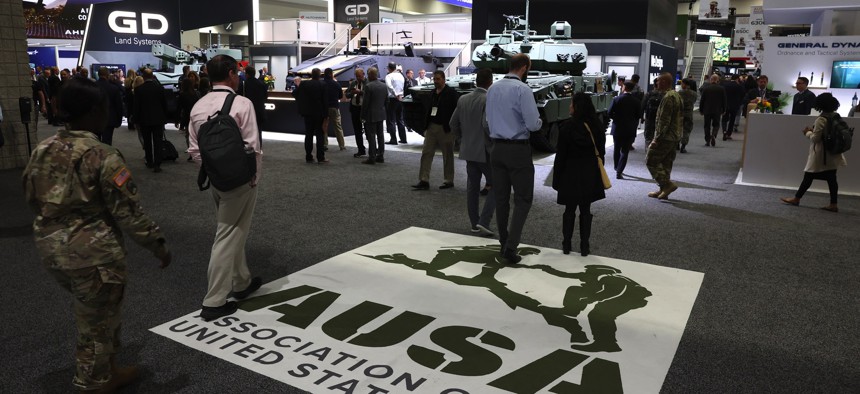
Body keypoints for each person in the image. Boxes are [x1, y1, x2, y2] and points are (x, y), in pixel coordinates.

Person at [22, 76, 172, 393]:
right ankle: (93, 381)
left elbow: (31, 196)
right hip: (93, 254)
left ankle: (109, 367)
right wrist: (157, 245)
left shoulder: (43, 149)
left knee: (96, 310)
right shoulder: (102, 155)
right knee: (97, 319)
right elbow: (128, 211)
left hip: (52, 248)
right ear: (93, 111)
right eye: (105, 105)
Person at [188, 55, 264, 321]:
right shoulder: (242, 103)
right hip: (241, 181)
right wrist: (253, 178)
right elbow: (253, 146)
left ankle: (241, 282)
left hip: (216, 180)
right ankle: (214, 301)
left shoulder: (198, 105)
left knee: (233, 229)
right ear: (232, 74)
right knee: (227, 234)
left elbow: (195, 150)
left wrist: (213, 170)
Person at [486, 53, 542, 264]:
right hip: (518, 150)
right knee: (523, 199)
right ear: (525, 68)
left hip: (496, 149)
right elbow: (532, 124)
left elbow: (487, 120)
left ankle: (503, 242)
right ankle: (510, 247)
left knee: (501, 199)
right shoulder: (522, 89)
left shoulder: (493, 88)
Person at [553, 93, 606, 256]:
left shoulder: (567, 127)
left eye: (571, 104)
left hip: (570, 173)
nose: (569, 107)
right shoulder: (596, 126)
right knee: (585, 209)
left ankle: (566, 244)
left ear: (577, 107)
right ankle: (584, 246)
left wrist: (557, 179)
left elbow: (560, 155)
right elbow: (601, 153)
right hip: (589, 173)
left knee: (569, 210)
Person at [780, 93, 846, 213]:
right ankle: (833, 203)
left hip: (821, 154)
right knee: (831, 179)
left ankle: (796, 198)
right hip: (833, 153)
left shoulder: (821, 119)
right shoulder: (835, 116)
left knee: (808, 176)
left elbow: (816, 139)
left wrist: (807, 132)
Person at [451, 68, 496, 235]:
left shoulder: (463, 99)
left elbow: (453, 123)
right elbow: (487, 125)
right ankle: (484, 220)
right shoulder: (488, 99)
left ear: (476, 81)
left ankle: (474, 223)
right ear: (490, 82)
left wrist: (463, 140)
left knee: (472, 188)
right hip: (485, 151)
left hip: (468, 150)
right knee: (498, 184)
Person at [413, 70, 459, 190]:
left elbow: (456, 111)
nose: (436, 81)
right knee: (426, 153)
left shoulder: (451, 93)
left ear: (443, 79)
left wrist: (452, 128)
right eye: (434, 79)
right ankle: (424, 180)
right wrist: (425, 126)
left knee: (447, 155)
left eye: (438, 79)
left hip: (445, 128)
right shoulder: (432, 93)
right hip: (431, 127)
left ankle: (448, 180)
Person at [645, 72, 683, 200]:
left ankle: (667, 185)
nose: (657, 83)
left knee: (651, 160)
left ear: (666, 82)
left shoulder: (668, 97)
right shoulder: (676, 95)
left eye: (659, 81)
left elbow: (663, 121)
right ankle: (663, 190)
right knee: (666, 163)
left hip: (665, 137)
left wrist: (656, 139)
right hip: (674, 136)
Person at [133, 68, 167, 173]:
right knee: (158, 142)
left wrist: (136, 120)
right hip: (158, 119)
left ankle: (149, 161)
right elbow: (164, 105)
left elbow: (136, 107)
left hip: (144, 119)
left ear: (143, 77)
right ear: (152, 76)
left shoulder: (139, 90)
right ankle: (158, 163)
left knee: (147, 142)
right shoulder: (160, 88)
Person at [293, 68, 329, 163]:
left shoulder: (304, 84)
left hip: (307, 113)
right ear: (319, 75)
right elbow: (325, 101)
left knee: (308, 135)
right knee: (319, 135)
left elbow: (295, 93)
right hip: (319, 113)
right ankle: (320, 157)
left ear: (311, 75)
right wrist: (326, 116)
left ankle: (308, 156)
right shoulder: (323, 85)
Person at [609, 81, 641, 178]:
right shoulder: (636, 101)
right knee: (625, 151)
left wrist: (616, 119)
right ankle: (619, 171)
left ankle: (616, 167)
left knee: (616, 148)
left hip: (617, 128)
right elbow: (638, 115)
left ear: (624, 88)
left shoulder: (616, 99)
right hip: (630, 129)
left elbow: (609, 112)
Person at [361, 67, 388, 164]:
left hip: (370, 115)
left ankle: (372, 157)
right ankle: (381, 155)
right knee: (380, 135)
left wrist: (362, 116)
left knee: (371, 136)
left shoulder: (368, 86)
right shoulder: (384, 86)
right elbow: (386, 101)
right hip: (381, 114)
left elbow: (365, 103)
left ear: (370, 75)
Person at [95, 67, 124, 146]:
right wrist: (119, 119)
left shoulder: (92, 87)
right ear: (107, 74)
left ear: (98, 74)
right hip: (109, 119)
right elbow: (119, 106)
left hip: (94, 118)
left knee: (95, 141)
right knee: (107, 142)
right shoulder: (114, 88)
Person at [241, 65, 269, 142]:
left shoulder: (245, 84)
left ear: (246, 74)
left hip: (248, 111)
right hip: (260, 111)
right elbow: (265, 96)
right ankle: (259, 149)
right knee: (258, 131)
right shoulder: (261, 83)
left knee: (248, 133)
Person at [699, 74, 726, 147]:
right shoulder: (721, 89)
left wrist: (701, 110)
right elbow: (724, 100)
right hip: (717, 110)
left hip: (707, 110)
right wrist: (724, 109)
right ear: (717, 80)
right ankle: (713, 135)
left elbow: (702, 100)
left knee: (707, 125)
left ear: (711, 80)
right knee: (716, 124)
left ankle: (707, 141)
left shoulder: (706, 88)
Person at [322, 68, 346, 151]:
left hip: (324, 108)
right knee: (338, 127)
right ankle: (341, 145)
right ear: (331, 74)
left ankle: (324, 144)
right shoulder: (336, 84)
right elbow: (340, 96)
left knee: (324, 126)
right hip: (334, 107)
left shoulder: (322, 84)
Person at [346, 68, 367, 158]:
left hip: (365, 109)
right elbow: (346, 94)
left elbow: (369, 94)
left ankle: (373, 150)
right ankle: (360, 150)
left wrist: (360, 92)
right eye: (357, 76)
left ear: (363, 74)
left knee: (368, 130)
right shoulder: (353, 83)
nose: (358, 78)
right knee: (357, 131)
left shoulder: (368, 83)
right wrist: (352, 93)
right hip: (355, 108)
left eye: (360, 76)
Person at [384, 62, 407, 144]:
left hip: (392, 99)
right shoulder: (401, 76)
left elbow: (389, 86)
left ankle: (393, 139)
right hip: (401, 98)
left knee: (391, 120)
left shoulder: (389, 76)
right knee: (400, 119)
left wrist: (395, 94)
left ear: (389, 68)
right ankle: (403, 139)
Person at [640, 78, 665, 145]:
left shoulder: (649, 94)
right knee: (659, 135)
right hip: (661, 118)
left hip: (649, 117)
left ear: (653, 85)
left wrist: (642, 117)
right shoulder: (665, 95)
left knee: (648, 135)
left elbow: (642, 106)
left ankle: (648, 150)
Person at [721, 75, 746, 140]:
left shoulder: (725, 85)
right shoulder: (739, 86)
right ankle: (728, 134)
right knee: (732, 120)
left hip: (726, 105)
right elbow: (743, 95)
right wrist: (739, 103)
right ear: (737, 79)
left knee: (724, 119)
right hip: (735, 106)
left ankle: (724, 131)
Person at [677, 78, 698, 153]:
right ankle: (683, 146)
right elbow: (694, 101)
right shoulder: (694, 93)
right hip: (689, 114)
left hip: (680, 114)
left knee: (678, 129)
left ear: (685, 84)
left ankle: (677, 144)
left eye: (682, 83)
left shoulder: (679, 93)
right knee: (687, 130)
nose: (681, 85)